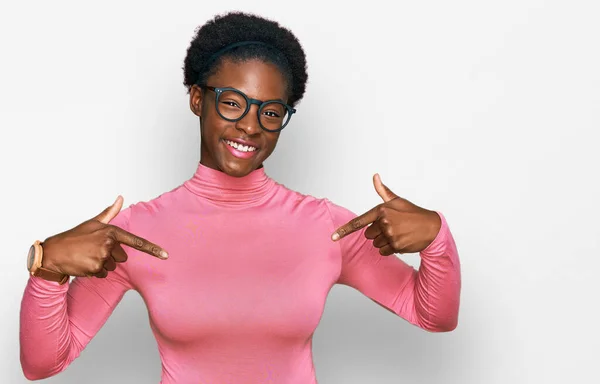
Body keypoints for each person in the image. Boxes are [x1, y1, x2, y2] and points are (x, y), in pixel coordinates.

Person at [19, 11, 461, 383]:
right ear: (197, 99)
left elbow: (433, 315)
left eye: (271, 112)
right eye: (233, 102)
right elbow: (43, 363)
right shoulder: (136, 233)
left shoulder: (328, 228)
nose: (251, 126)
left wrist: (436, 238)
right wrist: (48, 268)